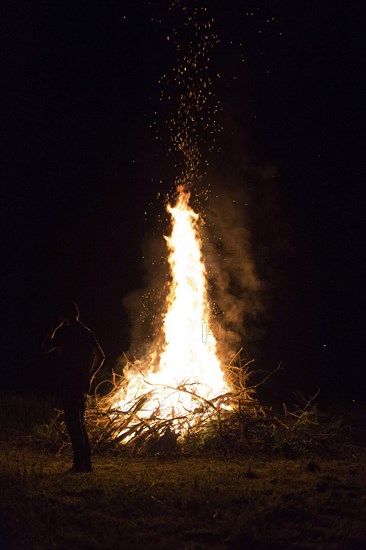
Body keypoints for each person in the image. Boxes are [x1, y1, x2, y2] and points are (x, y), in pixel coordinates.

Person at [42, 301, 105, 473]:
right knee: (79, 422)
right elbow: (101, 356)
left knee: (73, 423)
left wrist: (54, 327)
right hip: (81, 383)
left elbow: (45, 347)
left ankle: (80, 464)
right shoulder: (86, 332)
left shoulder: (64, 331)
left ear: (63, 316)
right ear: (77, 314)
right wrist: (89, 376)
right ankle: (86, 464)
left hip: (69, 382)